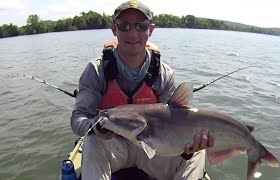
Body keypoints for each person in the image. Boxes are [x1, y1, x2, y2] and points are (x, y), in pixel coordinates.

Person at [71, 0, 214, 179]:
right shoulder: (96, 70)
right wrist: (95, 127)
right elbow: (78, 117)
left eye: (141, 26)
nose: (133, 33)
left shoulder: (163, 74)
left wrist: (186, 149)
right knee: (92, 141)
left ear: (151, 30)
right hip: (115, 148)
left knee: (198, 154)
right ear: (114, 29)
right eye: (124, 26)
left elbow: (176, 120)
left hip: (152, 149)